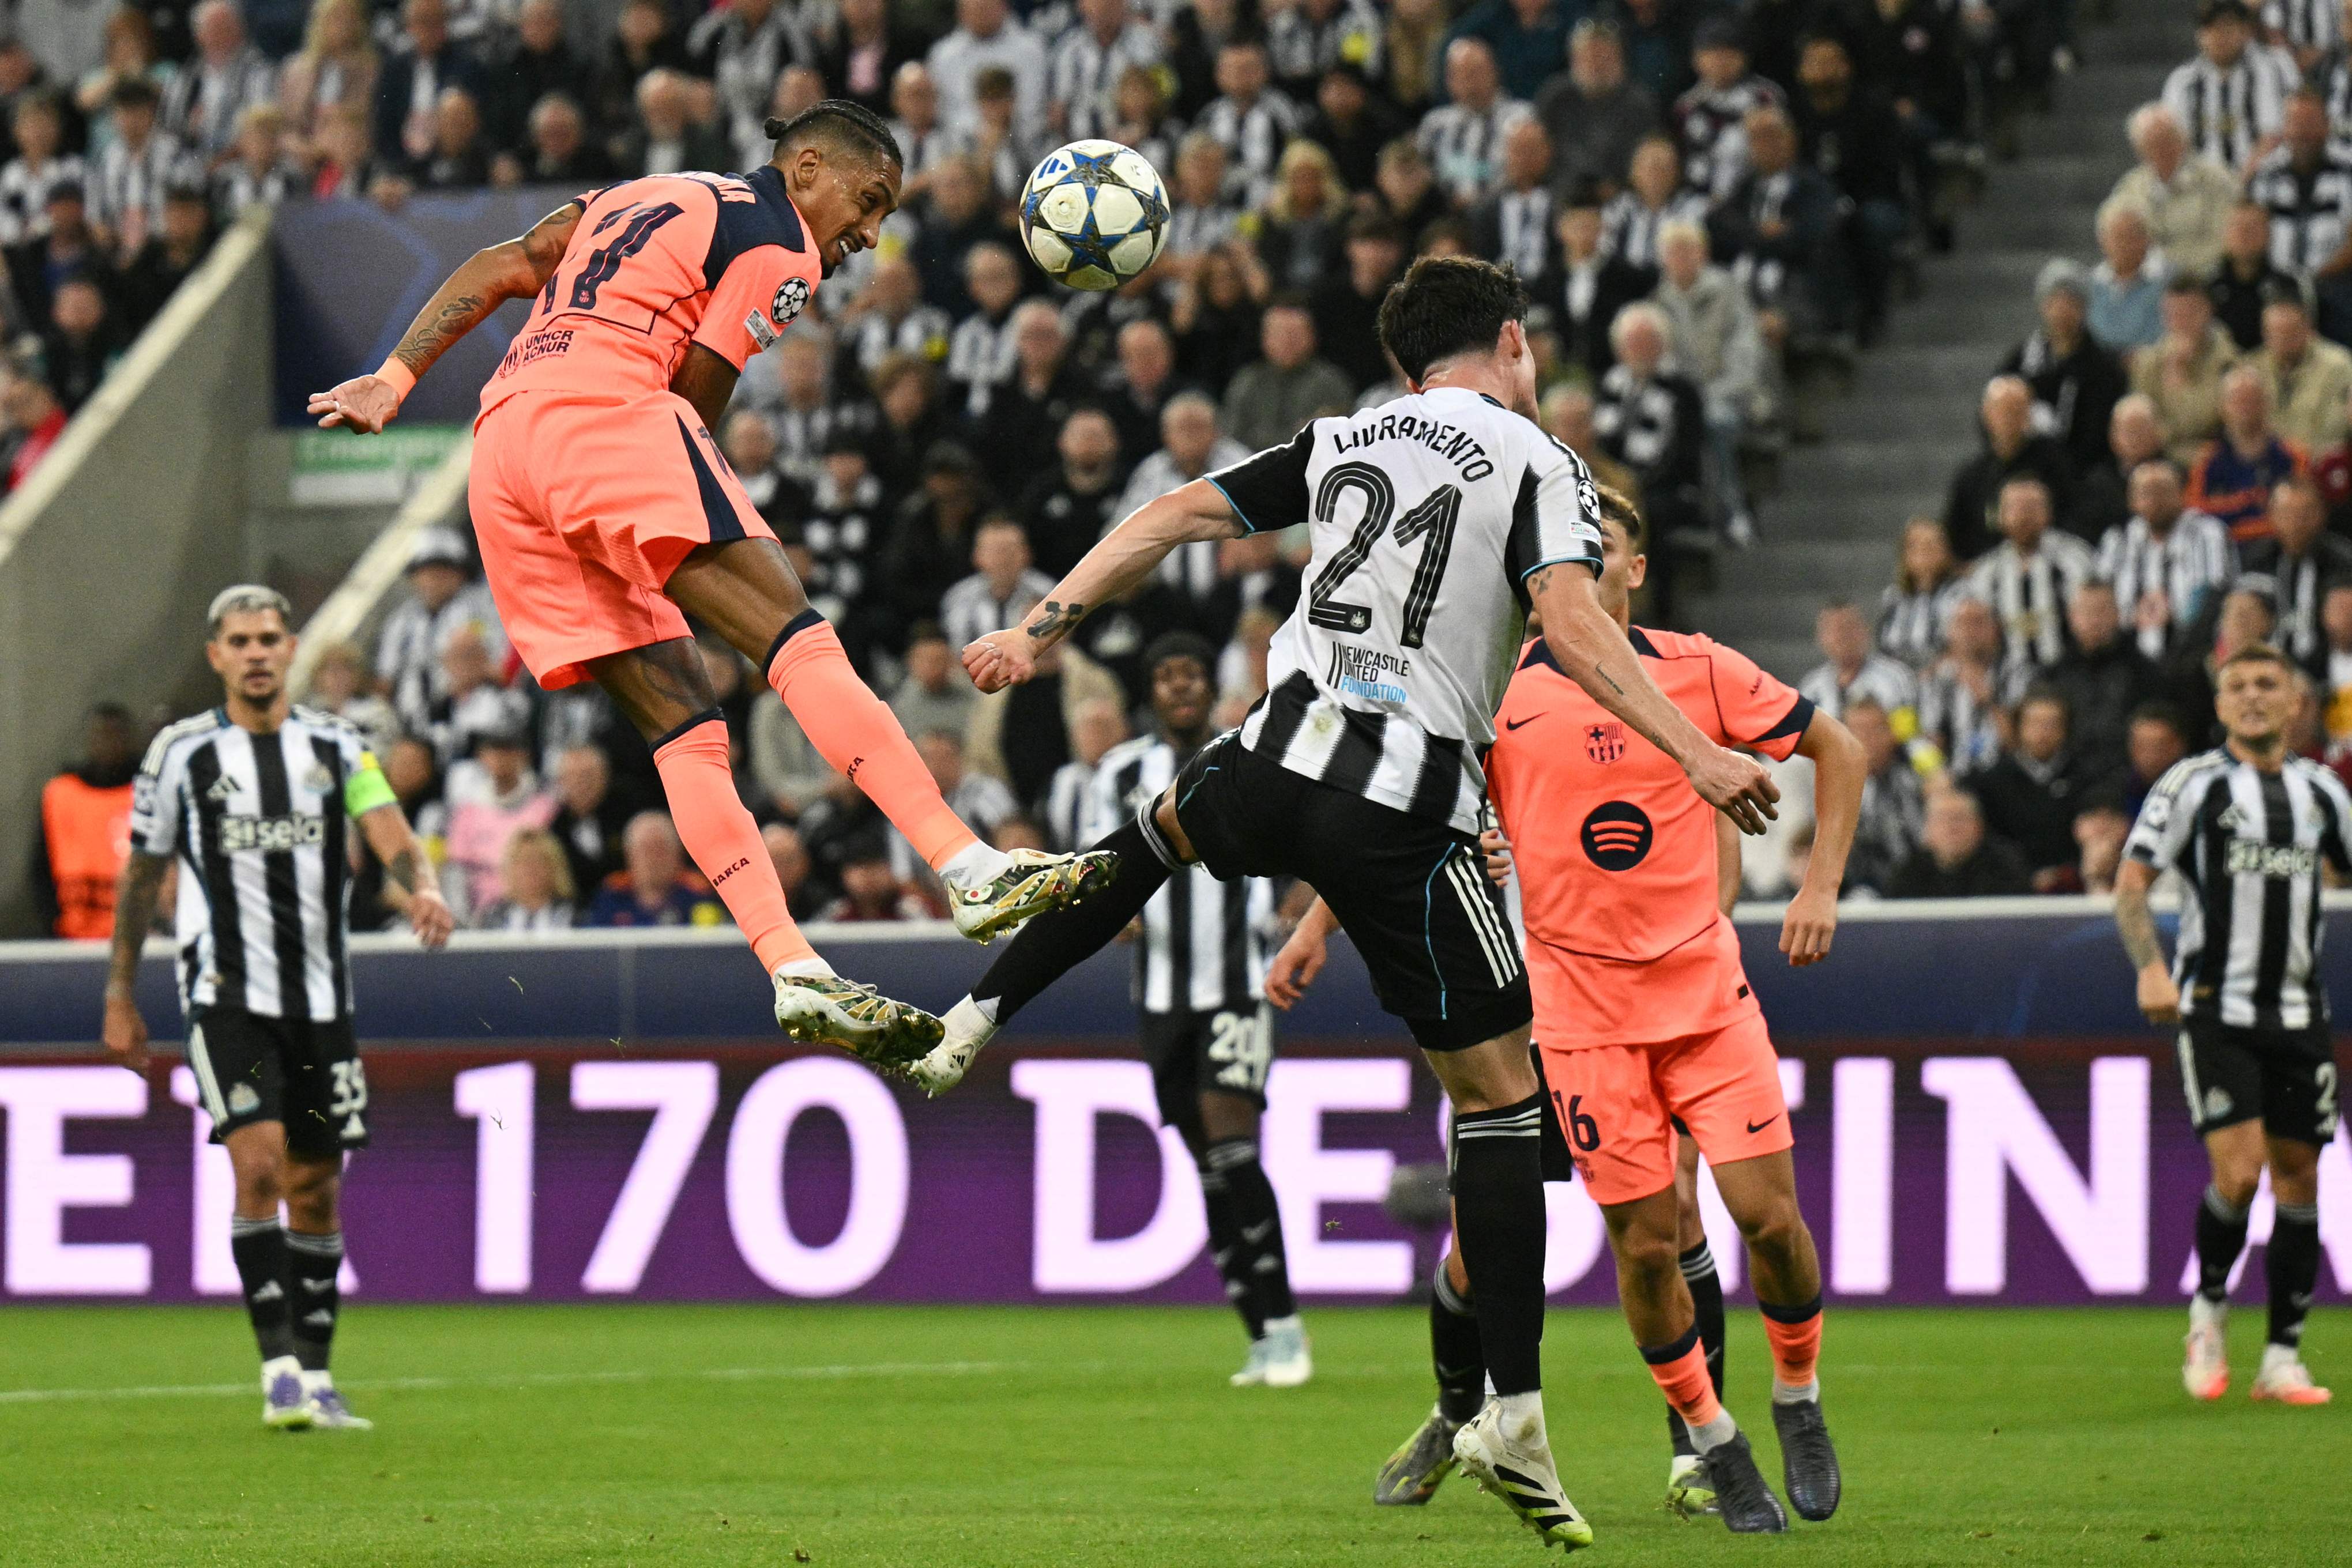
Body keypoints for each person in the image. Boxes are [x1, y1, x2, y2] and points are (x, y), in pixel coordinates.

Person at [911, 257, 1781, 1552]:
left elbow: (1164, 516)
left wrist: (1038, 630)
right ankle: (1513, 1411)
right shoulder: (1537, 461)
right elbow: (1574, 626)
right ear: (1509, 341)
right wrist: (1695, 754)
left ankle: (972, 1014)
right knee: (1498, 1102)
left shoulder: (1345, 435)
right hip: (1400, 810)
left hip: (1274, 757)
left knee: (1147, 838)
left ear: (1398, 364)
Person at [304, 100, 1112, 1064]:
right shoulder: (782, 244)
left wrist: (393, 379)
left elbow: (502, 265)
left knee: (683, 724)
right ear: (806, 165)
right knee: (793, 636)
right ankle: (965, 861)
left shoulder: (644, 194)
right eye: (870, 199)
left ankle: (790, 964)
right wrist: (693, 529)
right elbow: (694, 394)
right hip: (607, 414)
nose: (869, 232)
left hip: (503, 450)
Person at [1319, 493, 1861, 1531]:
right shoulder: (1486, 696)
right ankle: (1475, 1415)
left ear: (1633, 570)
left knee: (1757, 1225)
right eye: (1549, 559)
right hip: (1558, 1020)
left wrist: (1819, 884)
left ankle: (1773, 1413)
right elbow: (1401, 821)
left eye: (1591, 553)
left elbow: (1807, 763)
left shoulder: (1697, 672)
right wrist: (1313, 936)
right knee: (1538, 1247)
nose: (1566, 572)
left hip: (1698, 1000)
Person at [100, 585, 454, 1432]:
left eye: (269, 638)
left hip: (322, 998)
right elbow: (142, 875)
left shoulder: (336, 745)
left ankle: (322, 1376)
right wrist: (119, 990)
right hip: (225, 994)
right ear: (216, 655)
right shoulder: (179, 754)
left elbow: (387, 830)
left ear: (292, 649)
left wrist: (423, 888)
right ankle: (280, 1371)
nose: (256, 652)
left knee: (317, 1189)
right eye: (239, 640)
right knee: (257, 1168)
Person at [2115, 642, 2347, 1407]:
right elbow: (2131, 880)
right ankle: (2206, 1312)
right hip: (2215, 1005)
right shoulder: (2191, 784)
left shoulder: (2322, 794)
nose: (2251, 697)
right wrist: (2150, 965)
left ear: (2292, 702)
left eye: (2265, 685)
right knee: (2238, 1172)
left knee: (2299, 1176)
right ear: (2217, 706)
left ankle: (2281, 1357)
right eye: (2236, 686)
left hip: (2297, 1012)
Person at [1086, 632, 1303, 1385]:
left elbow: (1297, 842)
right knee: (1207, 1164)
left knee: (1231, 1141)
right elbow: (1094, 863)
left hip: (1236, 984)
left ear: (1209, 687)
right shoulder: (1117, 774)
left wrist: (1295, 901)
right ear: (1149, 692)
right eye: (1165, 675)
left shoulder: (1249, 755)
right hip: (1158, 995)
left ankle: (1284, 1326)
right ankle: (1260, 1334)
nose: (1179, 687)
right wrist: (1107, 905)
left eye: (1191, 674)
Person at [2098, 459, 2238, 661]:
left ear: (2182, 494)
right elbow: (2100, 599)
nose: (2155, 500)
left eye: (2163, 491)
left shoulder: (2207, 533)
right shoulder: (2117, 540)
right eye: (2146, 492)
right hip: (2127, 661)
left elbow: (2214, 596)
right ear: (2132, 501)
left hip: (2193, 655)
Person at [30, 702, 139, 940]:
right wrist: (53, 925)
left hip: (136, 936)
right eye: (101, 735)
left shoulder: (148, 791)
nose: (108, 744)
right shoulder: (60, 793)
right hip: (73, 935)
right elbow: (41, 868)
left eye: (115, 735)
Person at [2112, 101, 2238, 280]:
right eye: (2151, 144)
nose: (2161, 151)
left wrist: (2174, 265)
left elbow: (2226, 239)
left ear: (2182, 141)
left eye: (2166, 140)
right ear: (2139, 151)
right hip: (2145, 282)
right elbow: (2111, 232)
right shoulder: (2131, 187)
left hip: (2205, 279)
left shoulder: (2217, 181)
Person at [1886, 782, 2033, 897]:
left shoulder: (2006, 867)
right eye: (1942, 819)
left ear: (1978, 827)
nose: (1951, 828)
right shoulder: (1910, 872)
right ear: (1928, 829)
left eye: (1959, 819)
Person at [584, 809, 726, 927]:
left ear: (678, 854)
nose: (652, 859)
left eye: (660, 849)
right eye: (645, 849)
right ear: (629, 855)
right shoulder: (612, 894)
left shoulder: (699, 893)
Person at [473, 826, 578, 931]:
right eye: (523, 861)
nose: (531, 868)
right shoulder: (492, 917)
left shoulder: (576, 915)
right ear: (510, 868)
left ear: (554, 867)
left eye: (539, 860)